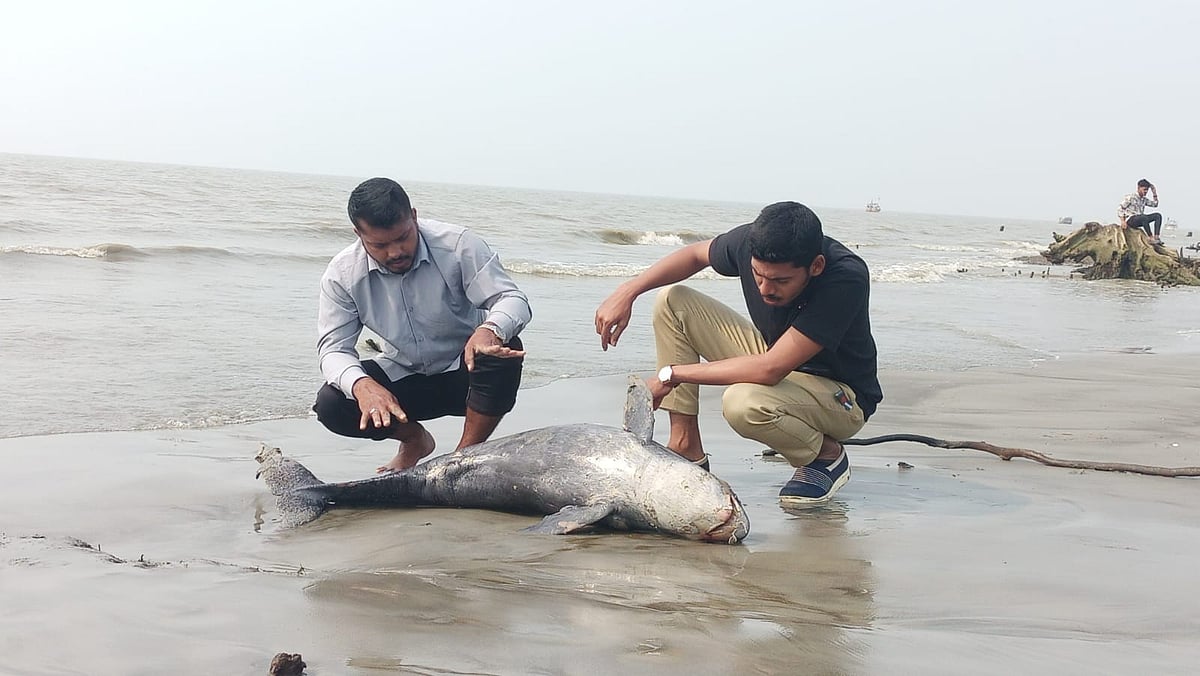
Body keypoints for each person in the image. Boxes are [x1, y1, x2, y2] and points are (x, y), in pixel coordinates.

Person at [594, 201, 882, 505]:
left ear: (816, 266)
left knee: (742, 403)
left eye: (781, 281)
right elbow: (694, 254)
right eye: (758, 275)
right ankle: (685, 446)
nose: (765, 289)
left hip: (840, 397)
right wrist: (628, 291)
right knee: (673, 301)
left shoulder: (845, 277)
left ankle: (826, 455)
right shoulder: (751, 242)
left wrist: (671, 375)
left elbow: (770, 369)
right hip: (779, 361)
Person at [314, 177, 531, 472]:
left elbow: (512, 299)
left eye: (403, 237)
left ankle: (461, 459)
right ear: (358, 233)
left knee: (504, 346)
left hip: (467, 377)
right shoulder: (342, 275)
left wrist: (489, 330)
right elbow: (333, 350)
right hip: (405, 379)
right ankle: (414, 440)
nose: (395, 252)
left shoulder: (459, 245)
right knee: (332, 401)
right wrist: (362, 386)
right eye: (379, 245)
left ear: (414, 217)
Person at [1118, 179, 1162, 245]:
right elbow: (1120, 208)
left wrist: (1154, 192)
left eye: (1147, 190)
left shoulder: (1144, 199)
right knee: (1143, 217)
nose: (1146, 191)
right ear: (1139, 188)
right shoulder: (1131, 197)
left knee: (1157, 215)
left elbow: (1155, 204)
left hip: (1141, 219)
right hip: (1131, 219)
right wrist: (1122, 221)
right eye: (1144, 189)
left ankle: (1156, 237)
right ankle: (1150, 237)